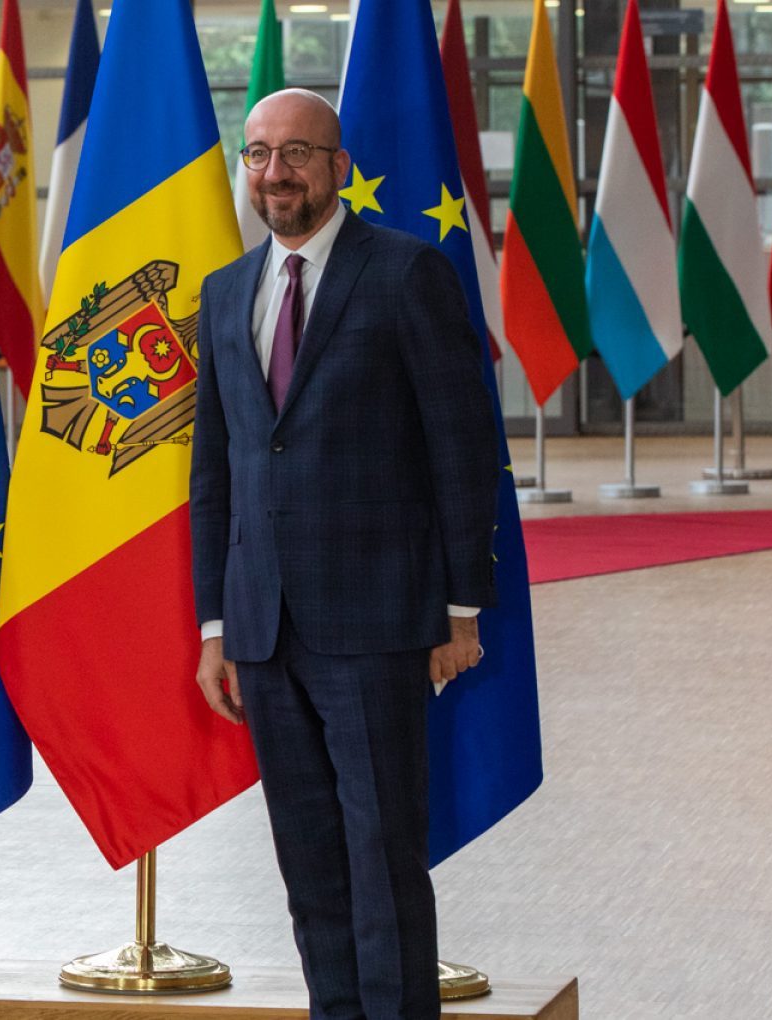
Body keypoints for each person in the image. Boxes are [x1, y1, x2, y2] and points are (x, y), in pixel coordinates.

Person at [190, 89, 498, 1020]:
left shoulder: (407, 274)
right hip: (263, 627)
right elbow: (217, 472)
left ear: (337, 166)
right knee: (309, 860)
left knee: (383, 859)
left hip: (377, 621)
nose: (274, 172)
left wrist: (460, 609)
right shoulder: (225, 290)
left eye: (295, 154)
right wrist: (215, 625)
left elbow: (460, 444)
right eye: (258, 154)